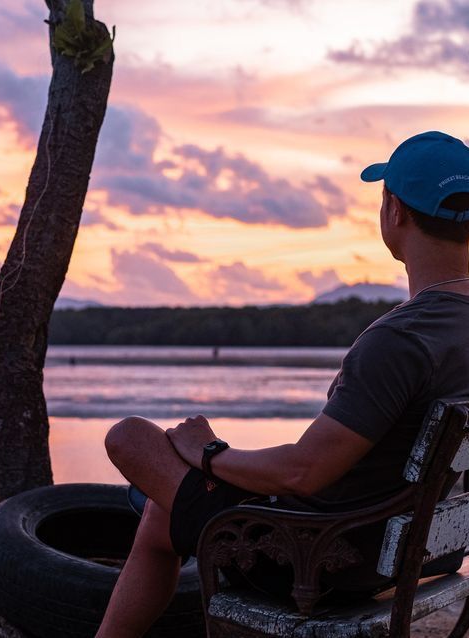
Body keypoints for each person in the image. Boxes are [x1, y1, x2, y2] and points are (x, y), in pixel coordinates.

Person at [94, 131, 469, 638]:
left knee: (131, 438)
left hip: (324, 558)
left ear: (394, 212)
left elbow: (301, 473)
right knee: (161, 516)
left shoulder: (399, 341)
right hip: (425, 551)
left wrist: (208, 452)